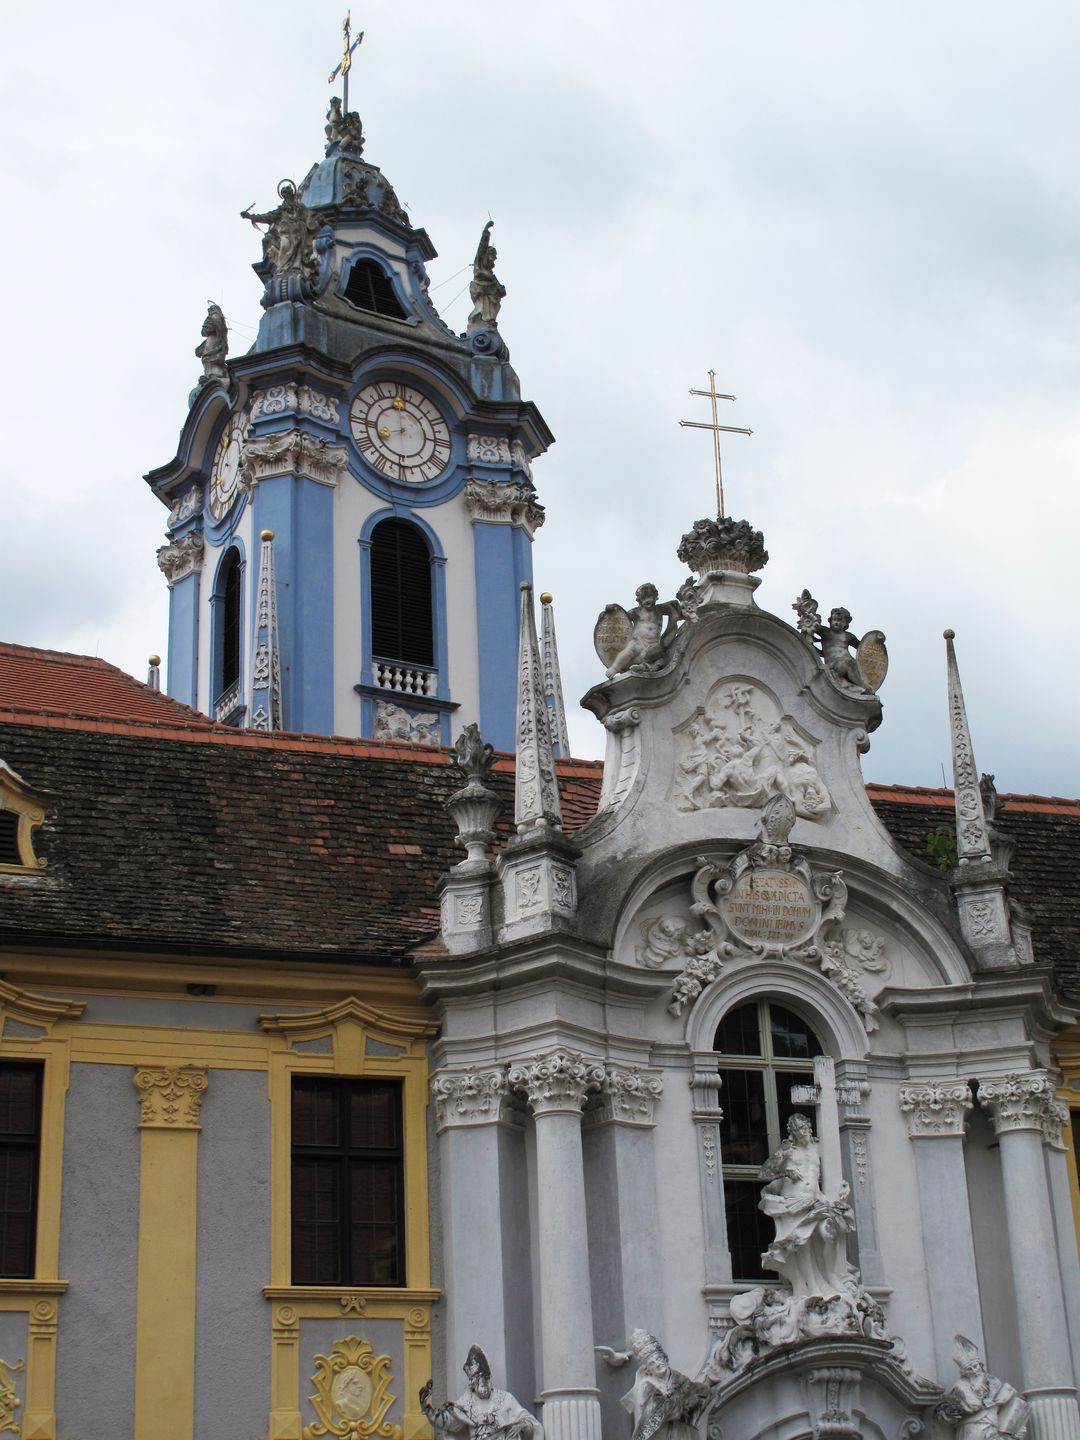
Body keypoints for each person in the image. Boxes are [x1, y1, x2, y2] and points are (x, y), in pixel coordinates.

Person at [758, 1114, 855, 1299]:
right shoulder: (787, 1150)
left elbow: (833, 1167)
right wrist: (785, 1170)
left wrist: (841, 1188)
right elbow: (764, 1173)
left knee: (829, 1234)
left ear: (809, 1128)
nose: (802, 1133)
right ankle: (812, 1287)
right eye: (798, 1130)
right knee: (801, 1244)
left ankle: (830, 1275)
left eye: (804, 1128)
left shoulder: (818, 1147)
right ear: (792, 1132)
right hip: (794, 1202)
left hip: (815, 1200)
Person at [597, 1330, 711, 1440]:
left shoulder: (679, 1378)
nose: (657, 1364)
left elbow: (698, 1401)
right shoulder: (645, 1386)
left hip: (681, 1434)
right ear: (648, 1369)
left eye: (658, 1358)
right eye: (652, 1363)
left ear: (664, 1357)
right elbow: (645, 1422)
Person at [421, 1345, 543, 1440]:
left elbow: (531, 1424)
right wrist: (427, 1409)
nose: (483, 1380)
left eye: (486, 1376)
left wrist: (521, 1426)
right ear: (472, 1382)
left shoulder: (505, 1399)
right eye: (479, 1377)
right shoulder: (466, 1402)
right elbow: (448, 1422)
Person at [936, 1336, 1030, 1440]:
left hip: (992, 1426)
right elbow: (973, 1405)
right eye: (969, 1369)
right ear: (964, 1372)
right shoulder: (960, 1386)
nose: (975, 1371)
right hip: (972, 1428)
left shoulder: (994, 1382)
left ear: (980, 1365)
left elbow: (1006, 1406)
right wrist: (994, 1402)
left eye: (976, 1366)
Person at [604, 584, 682, 678]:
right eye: (644, 598)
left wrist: (682, 613)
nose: (647, 600)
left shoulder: (660, 609)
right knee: (629, 651)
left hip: (653, 644)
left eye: (649, 596)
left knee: (649, 654)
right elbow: (623, 616)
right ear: (639, 601)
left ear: (655, 596)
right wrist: (614, 607)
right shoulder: (636, 612)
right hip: (638, 641)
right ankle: (614, 668)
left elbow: (673, 603)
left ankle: (646, 666)